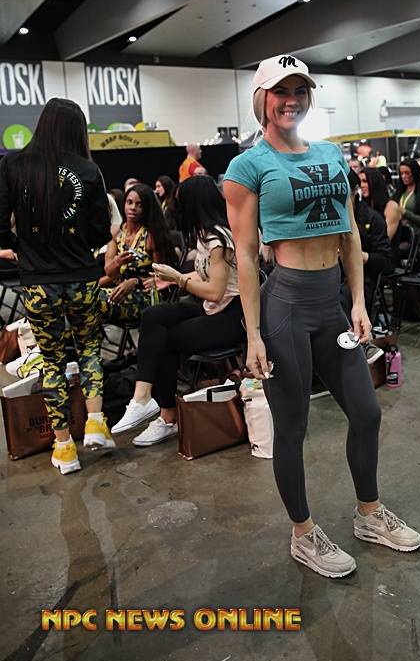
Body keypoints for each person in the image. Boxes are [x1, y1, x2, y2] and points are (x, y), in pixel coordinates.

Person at [223, 54, 420, 579]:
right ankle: (303, 534)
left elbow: (349, 233)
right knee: (292, 429)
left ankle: (368, 514)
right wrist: (252, 334)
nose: (291, 101)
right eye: (281, 91)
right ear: (262, 99)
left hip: (331, 305)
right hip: (285, 307)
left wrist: (357, 302)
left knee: (368, 412)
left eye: (300, 91)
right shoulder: (248, 166)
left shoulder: (332, 155)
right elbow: (246, 255)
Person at [0, 98, 114, 474]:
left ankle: (64, 448)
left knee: (51, 360)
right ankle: (95, 423)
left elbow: (0, 223)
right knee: (90, 350)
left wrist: (22, 248)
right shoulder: (89, 170)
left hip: (38, 282)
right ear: (77, 130)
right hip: (82, 276)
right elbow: (101, 230)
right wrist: (78, 245)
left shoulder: (13, 165)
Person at [110, 175, 244, 444]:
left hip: (231, 315)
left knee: (166, 340)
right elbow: (204, 275)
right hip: (213, 308)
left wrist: (179, 278)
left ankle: (167, 415)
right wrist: (168, 279)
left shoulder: (219, 238)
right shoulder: (205, 235)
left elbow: (216, 291)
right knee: (153, 316)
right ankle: (142, 398)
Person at [99, 183, 177, 325]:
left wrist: (136, 281)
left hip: (147, 296)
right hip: (119, 289)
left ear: (147, 208)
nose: (133, 208)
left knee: (91, 302)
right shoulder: (116, 232)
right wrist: (118, 262)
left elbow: (163, 277)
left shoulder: (152, 236)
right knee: (81, 299)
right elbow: (109, 271)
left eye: (139, 204)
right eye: (129, 202)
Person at [340, 170, 394, 319]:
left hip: (362, 280)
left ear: (354, 190)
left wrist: (360, 255)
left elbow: (387, 262)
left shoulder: (372, 218)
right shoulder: (329, 218)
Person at [395, 159, 420, 238]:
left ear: (414, 173)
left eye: (407, 173)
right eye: (401, 173)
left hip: (417, 235)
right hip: (399, 234)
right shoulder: (398, 194)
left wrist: (406, 213)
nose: (403, 176)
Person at [359, 167, 402, 242]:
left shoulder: (391, 207)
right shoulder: (363, 206)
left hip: (384, 247)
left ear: (375, 182)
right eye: (360, 182)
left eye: (365, 181)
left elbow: (385, 240)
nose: (361, 185)